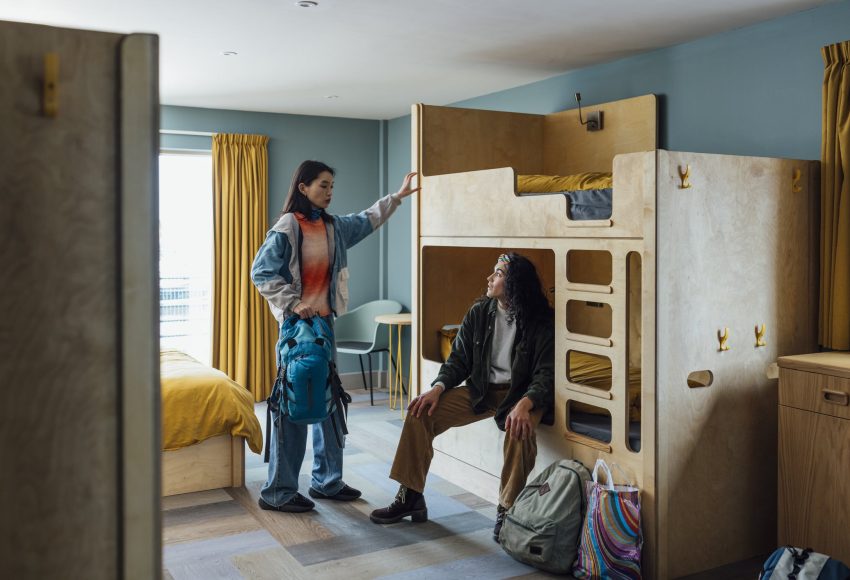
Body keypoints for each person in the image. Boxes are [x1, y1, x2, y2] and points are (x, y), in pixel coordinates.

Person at [251, 160, 418, 513]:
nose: (329, 192)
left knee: (329, 403)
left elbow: (366, 220)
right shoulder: (287, 226)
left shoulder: (333, 227)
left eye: (331, 187)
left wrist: (397, 197)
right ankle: (278, 491)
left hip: (325, 326)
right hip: (297, 329)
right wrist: (293, 303)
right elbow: (261, 272)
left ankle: (327, 480)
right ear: (303, 187)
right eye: (323, 185)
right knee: (295, 403)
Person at [369, 252, 554, 542]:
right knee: (420, 411)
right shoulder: (479, 312)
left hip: (522, 396)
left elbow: (546, 373)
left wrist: (526, 403)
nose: (489, 278)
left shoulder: (540, 321)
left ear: (515, 283)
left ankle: (507, 510)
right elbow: (458, 360)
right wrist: (437, 388)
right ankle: (410, 496)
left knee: (519, 429)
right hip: (482, 391)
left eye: (498, 273)